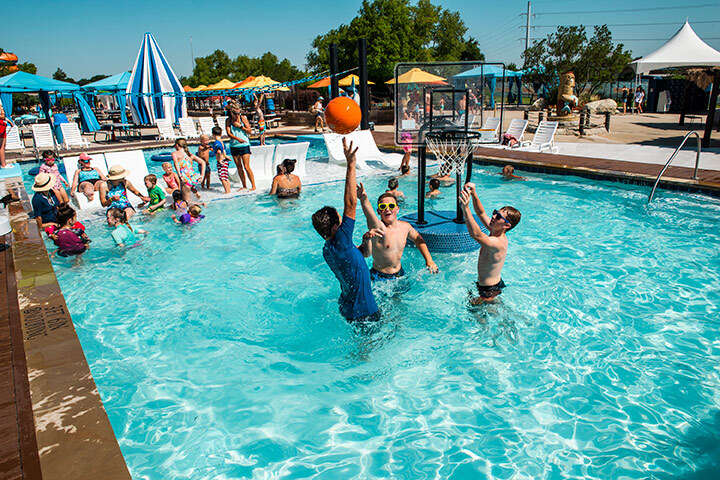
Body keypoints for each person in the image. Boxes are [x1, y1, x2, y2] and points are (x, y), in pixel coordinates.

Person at [312, 138, 379, 323]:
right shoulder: (341, 239)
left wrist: (366, 242)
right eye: (340, 221)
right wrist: (351, 164)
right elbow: (350, 203)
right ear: (335, 227)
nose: (343, 223)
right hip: (364, 311)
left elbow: (362, 256)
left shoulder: (329, 249)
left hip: (348, 307)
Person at [357, 186, 438, 282]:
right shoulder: (379, 229)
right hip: (380, 277)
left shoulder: (405, 227)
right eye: (383, 207)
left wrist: (429, 260)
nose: (387, 209)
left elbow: (418, 239)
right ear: (379, 212)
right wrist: (363, 199)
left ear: (397, 209)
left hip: (399, 274)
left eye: (391, 206)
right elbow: (370, 216)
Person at [459, 182, 521, 304]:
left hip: (488, 290)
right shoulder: (494, 230)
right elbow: (481, 213)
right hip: (490, 285)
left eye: (498, 217)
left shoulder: (499, 242)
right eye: (495, 212)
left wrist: (466, 209)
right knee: (488, 311)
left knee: (479, 315)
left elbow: (476, 235)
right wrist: (474, 194)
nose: (493, 216)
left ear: (506, 225)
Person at [225, 100, 255, 191]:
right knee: (239, 167)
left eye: (238, 113)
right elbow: (229, 134)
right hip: (234, 145)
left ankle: (253, 185)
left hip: (244, 145)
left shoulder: (243, 119)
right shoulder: (228, 120)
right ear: (231, 112)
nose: (237, 115)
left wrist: (240, 126)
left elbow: (250, 131)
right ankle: (244, 185)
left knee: (246, 166)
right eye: (235, 113)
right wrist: (238, 139)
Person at [211, 126, 231, 194]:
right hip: (225, 160)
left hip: (221, 161)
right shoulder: (222, 142)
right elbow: (223, 150)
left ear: (213, 134)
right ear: (221, 134)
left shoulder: (216, 143)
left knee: (222, 177)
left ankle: (226, 191)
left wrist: (219, 160)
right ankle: (228, 190)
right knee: (225, 176)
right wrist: (226, 156)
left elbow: (219, 152)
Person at [0, 102, 8, 169]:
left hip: (3, 128)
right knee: (2, 147)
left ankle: (3, 163)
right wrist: (2, 109)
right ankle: (3, 164)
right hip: (1, 128)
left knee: (3, 145)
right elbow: (2, 116)